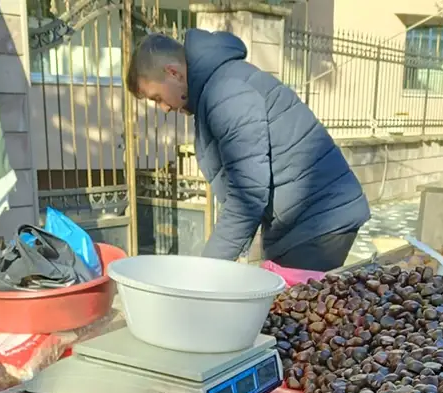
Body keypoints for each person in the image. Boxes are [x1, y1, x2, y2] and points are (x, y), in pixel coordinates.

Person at [125, 32, 370, 271]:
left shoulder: (225, 95)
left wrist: (206, 270)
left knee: (284, 308)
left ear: (173, 72)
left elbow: (247, 194)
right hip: (305, 221)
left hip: (319, 222)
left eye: (157, 97)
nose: (164, 108)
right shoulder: (218, 86)